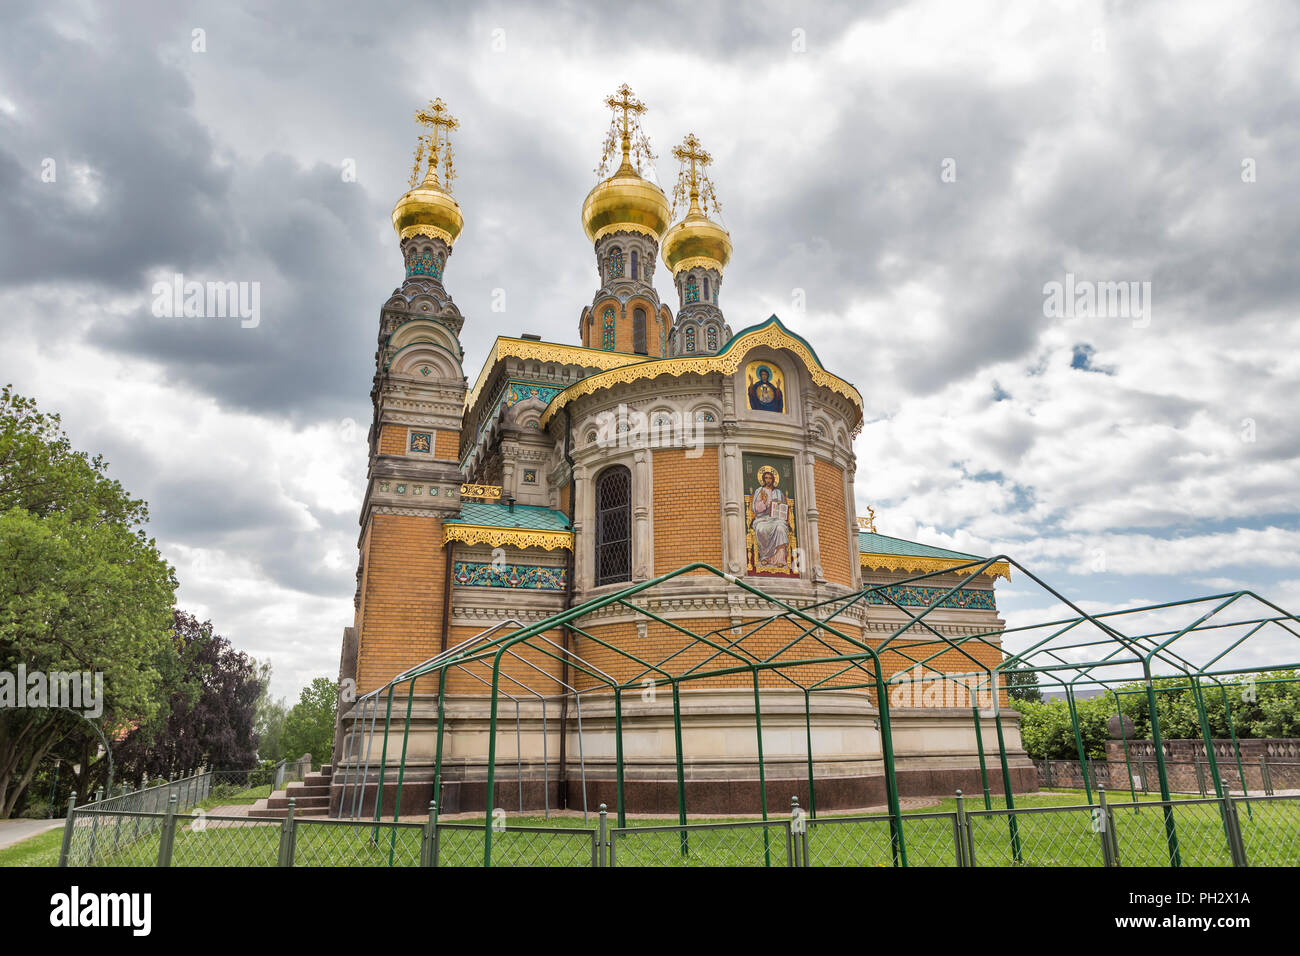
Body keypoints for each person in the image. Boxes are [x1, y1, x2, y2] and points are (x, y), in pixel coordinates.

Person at [750, 467, 790, 568]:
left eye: (770, 478)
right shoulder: (760, 491)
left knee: (781, 528)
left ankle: (780, 559)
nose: (768, 480)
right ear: (763, 479)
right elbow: (756, 509)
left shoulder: (778, 492)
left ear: (773, 480)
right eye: (766, 478)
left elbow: (784, 509)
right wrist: (763, 501)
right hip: (762, 518)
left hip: (776, 519)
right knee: (760, 529)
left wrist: (780, 505)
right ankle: (765, 557)